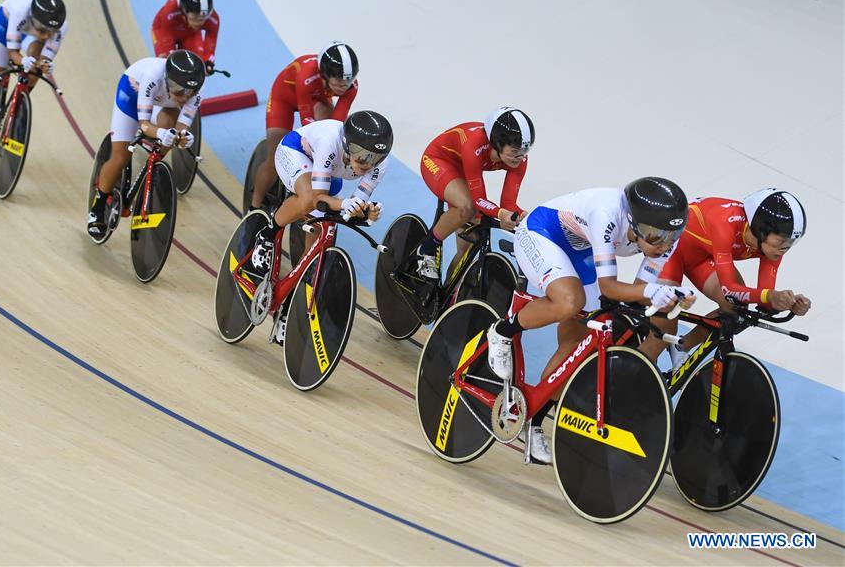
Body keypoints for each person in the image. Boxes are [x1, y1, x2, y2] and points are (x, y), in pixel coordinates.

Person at [486, 177, 697, 463]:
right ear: (634, 223)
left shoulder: (667, 237)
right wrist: (652, 292)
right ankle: (502, 331)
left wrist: (667, 296)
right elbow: (610, 287)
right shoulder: (605, 215)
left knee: (578, 343)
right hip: (541, 232)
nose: (665, 245)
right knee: (569, 302)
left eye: (671, 236)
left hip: (579, 248)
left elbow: (636, 292)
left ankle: (533, 420)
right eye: (656, 236)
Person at [638, 189, 810, 367]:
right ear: (761, 229)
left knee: (738, 310)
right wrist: (771, 296)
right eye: (781, 241)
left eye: (791, 242)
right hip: (671, 251)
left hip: (702, 256)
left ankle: (681, 346)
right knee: (662, 335)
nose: (785, 248)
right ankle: (626, 381)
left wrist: (788, 303)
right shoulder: (725, 222)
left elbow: (764, 299)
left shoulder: (772, 248)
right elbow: (730, 289)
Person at [245, 111, 392, 275]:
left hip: (330, 170)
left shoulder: (381, 165)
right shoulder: (329, 142)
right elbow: (317, 199)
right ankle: (267, 235)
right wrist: (344, 204)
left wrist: (366, 211)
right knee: (308, 199)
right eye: (362, 156)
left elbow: (353, 206)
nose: (368, 164)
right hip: (296, 151)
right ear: (347, 145)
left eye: (376, 158)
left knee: (323, 229)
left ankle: (301, 279)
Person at [87, 50, 206, 239]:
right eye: (179, 90)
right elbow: (143, 125)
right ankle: (97, 207)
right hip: (132, 93)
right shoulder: (153, 77)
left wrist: (183, 137)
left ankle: (148, 171)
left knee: (170, 134)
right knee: (121, 156)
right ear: (168, 79)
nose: (184, 97)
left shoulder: (193, 92)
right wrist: (159, 133)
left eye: (189, 92)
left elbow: (182, 127)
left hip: (163, 103)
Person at [411, 108, 534, 283]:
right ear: (497, 143)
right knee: (466, 207)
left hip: (467, 169)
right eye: (514, 151)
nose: (519, 157)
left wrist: (520, 215)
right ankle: (426, 250)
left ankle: (448, 296)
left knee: (468, 248)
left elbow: (508, 202)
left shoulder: (520, 159)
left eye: (525, 151)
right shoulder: (474, 144)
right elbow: (478, 200)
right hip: (439, 160)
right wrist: (500, 213)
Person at [248, 42, 360, 211]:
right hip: (284, 98)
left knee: (330, 134)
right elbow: (306, 121)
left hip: (317, 99)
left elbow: (336, 125)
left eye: (349, 80)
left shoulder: (351, 87)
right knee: (274, 157)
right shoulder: (307, 75)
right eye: (338, 80)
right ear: (325, 74)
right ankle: (253, 205)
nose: (344, 86)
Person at [0, 0, 67, 152]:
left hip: (29, 36)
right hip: (6, 25)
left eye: (51, 32)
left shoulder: (60, 28)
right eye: (43, 30)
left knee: (35, 69)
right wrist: (23, 60)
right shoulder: (20, 11)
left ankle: (19, 101)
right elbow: (13, 53)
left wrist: (43, 64)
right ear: (33, 18)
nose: (46, 35)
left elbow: (45, 59)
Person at [152, 0, 219, 71]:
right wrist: (169, 55)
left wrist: (208, 61)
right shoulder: (171, 9)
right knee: (166, 64)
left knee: (196, 65)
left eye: (203, 19)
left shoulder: (213, 18)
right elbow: (165, 35)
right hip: (163, 30)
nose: (199, 22)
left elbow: (211, 40)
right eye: (195, 18)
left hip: (189, 33)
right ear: (184, 10)